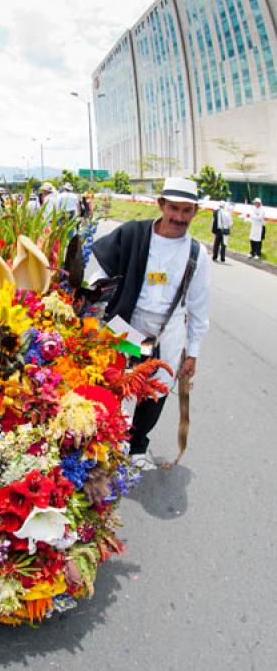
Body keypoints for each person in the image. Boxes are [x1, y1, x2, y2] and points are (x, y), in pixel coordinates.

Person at [91, 177, 210, 470]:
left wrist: (192, 351)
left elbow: (198, 306)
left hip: (167, 332)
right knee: (113, 380)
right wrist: (91, 305)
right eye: (174, 209)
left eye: (186, 211)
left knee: (156, 390)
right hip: (127, 323)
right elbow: (97, 274)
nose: (179, 218)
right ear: (160, 205)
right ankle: (105, 439)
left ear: (195, 212)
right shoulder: (134, 234)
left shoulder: (197, 253)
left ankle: (137, 445)